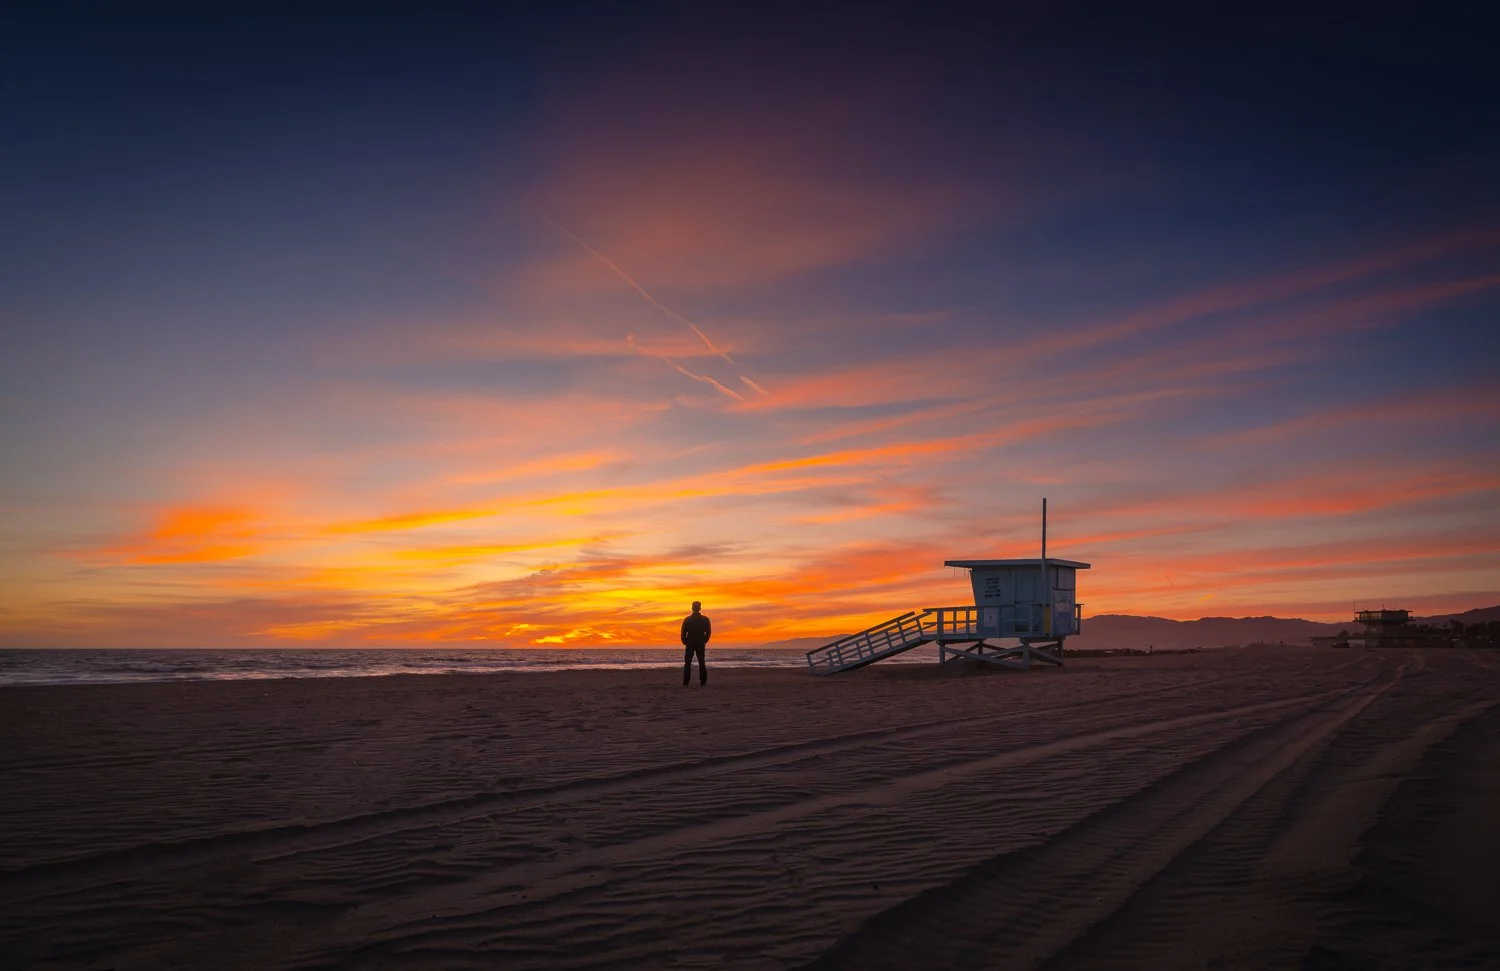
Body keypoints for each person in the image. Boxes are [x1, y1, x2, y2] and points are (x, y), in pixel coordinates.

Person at [681, 601, 711, 686]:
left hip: (690, 643)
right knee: (702, 663)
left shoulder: (687, 619)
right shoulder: (705, 619)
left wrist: (685, 642)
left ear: (692, 608)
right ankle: (703, 681)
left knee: (687, 663)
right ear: (700, 608)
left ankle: (686, 682)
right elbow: (708, 633)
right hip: (700, 643)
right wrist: (704, 641)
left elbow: (683, 633)